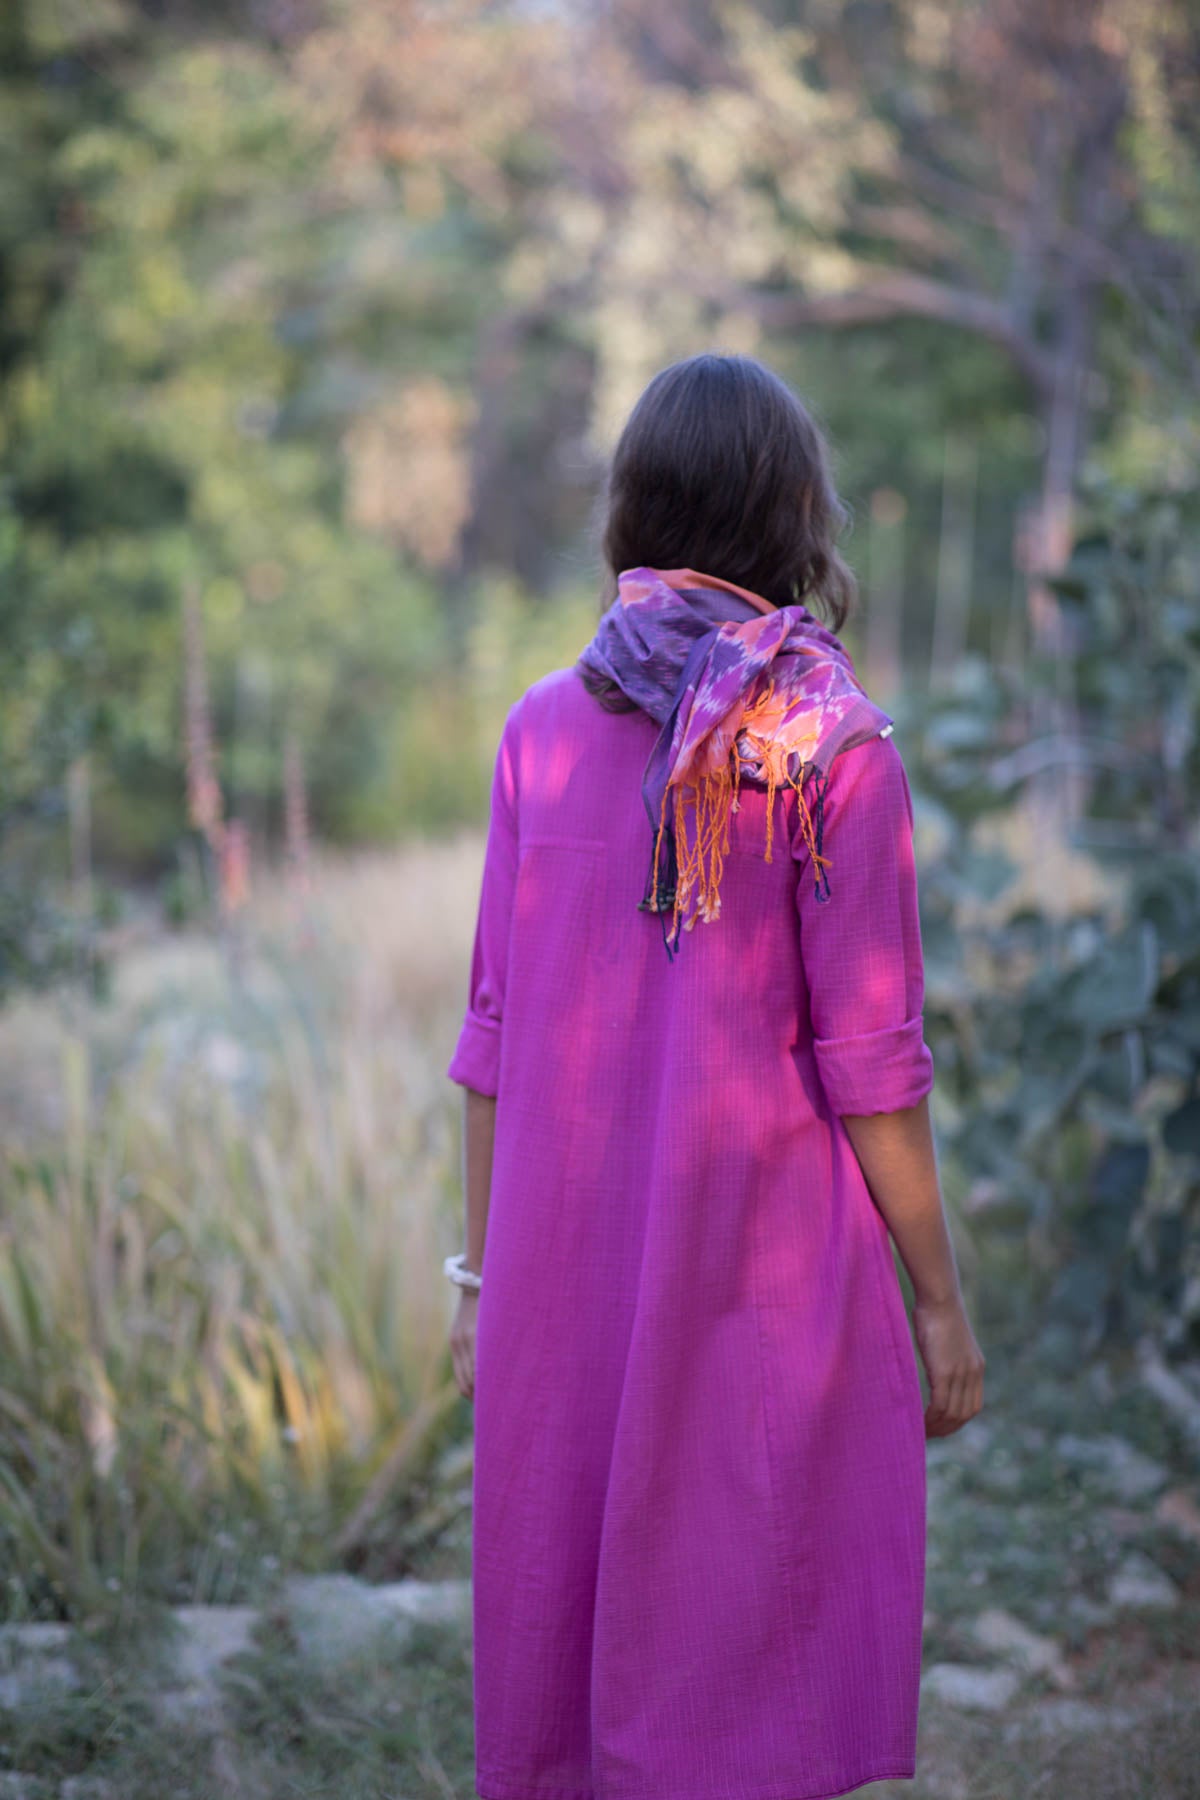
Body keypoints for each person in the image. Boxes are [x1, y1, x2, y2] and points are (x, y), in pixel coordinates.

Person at [444, 351, 985, 1800]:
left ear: (636, 511)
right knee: (753, 1667)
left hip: (565, 1287)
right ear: (791, 516)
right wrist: (938, 1300)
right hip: (762, 1288)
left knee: (572, 1643)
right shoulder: (830, 746)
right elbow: (873, 1067)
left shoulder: (540, 733)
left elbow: (489, 1047)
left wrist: (480, 1287)